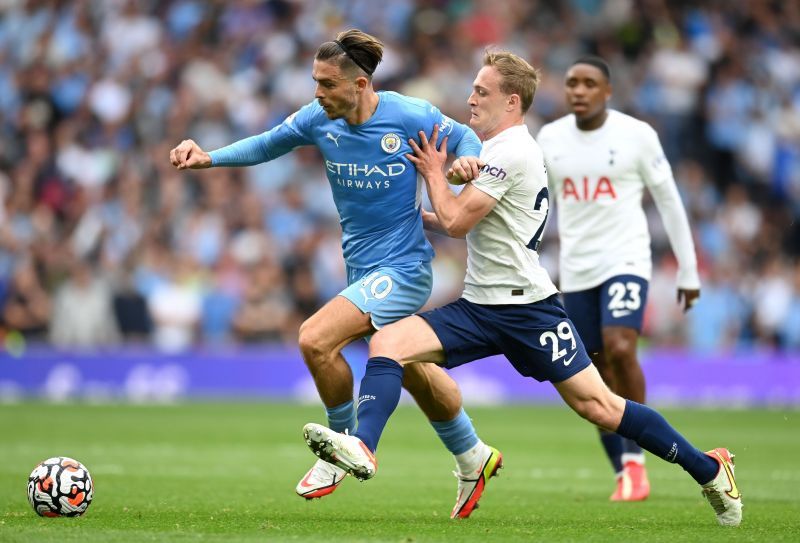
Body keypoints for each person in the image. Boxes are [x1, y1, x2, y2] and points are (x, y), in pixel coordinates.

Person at [301, 50, 742, 527]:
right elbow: (458, 219)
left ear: (512, 102)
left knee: (599, 406)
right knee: (389, 341)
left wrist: (432, 173)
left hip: (529, 310)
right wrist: (405, 217)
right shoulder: (491, 151)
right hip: (480, 306)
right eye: (472, 89)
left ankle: (709, 467)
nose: (470, 99)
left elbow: (453, 222)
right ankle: (363, 445)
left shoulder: (513, 152)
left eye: (482, 92)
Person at [169, 29, 499, 517]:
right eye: (314, 82)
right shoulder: (317, 120)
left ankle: (341, 447)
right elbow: (268, 144)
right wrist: (210, 157)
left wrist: (469, 158)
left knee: (314, 339)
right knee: (410, 369)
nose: (317, 93)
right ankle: (474, 454)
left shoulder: (408, 115)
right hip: (361, 269)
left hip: (405, 268)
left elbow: (465, 135)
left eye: (326, 84)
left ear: (361, 84)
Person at [536, 56, 701, 501]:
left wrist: (688, 268)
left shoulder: (636, 136)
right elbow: (534, 202)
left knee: (622, 346)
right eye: (572, 82)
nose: (579, 91)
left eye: (590, 83)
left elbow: (668, 199)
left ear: (607, 91)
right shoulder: (549, 139)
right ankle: (624, 469)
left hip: (626, 257)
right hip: (576, 267)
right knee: (591, 368)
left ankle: (639, 455)